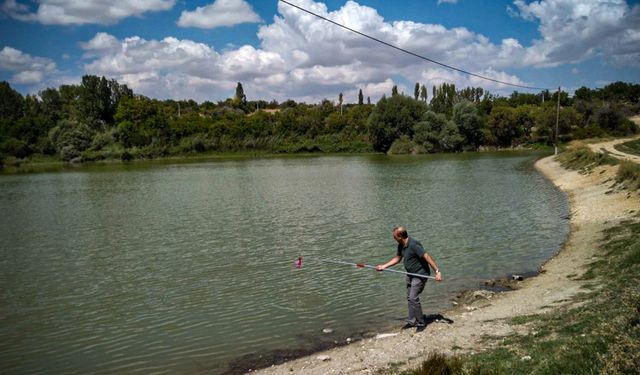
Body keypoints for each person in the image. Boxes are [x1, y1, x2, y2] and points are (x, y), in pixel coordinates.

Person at [376, 226, 442, 332]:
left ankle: (421, 322)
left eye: (394, 236)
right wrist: (384, 266)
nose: (393, 238)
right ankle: (412, 321)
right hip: (410, 274)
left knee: (413, 297)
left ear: (400, 236)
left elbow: (427, 257)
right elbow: (398, 258)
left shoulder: (413, 244)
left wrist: (437, 272)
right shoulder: (401, 245)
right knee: (409, 297)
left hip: (420, 274)